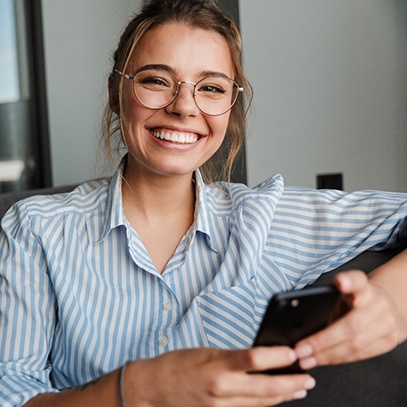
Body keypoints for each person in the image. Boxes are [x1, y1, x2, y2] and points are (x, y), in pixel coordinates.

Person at [1, 0, 407, 406]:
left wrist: (392, 298)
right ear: (116, 91)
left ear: (230, 109)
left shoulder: (262, 218)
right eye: (156, 80)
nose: (183, 106)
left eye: (211, 88)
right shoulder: (35, 229)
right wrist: (140, 388)